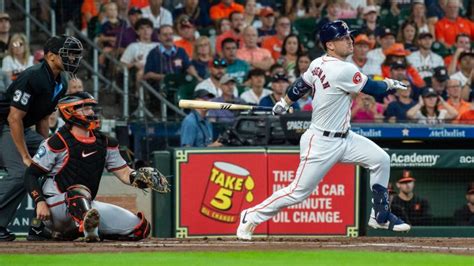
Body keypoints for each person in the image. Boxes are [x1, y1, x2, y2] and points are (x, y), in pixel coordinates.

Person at [236, 20, 411, 240]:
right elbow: (374, 89)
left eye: (349, 36)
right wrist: (391, 83)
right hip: (321, 142)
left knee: (381, 159)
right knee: (297, 192)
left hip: (346, 138)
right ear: (330, 45)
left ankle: (380, 215)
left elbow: (301, 84)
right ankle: (250, 215)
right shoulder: (343, 69)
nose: (350, 41)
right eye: (344, 38)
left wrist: (285, 102)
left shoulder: (318, 63)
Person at [24, 92, 161, 242]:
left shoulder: (106, 142)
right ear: (69, 111)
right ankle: (83, 231)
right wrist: (40, 202)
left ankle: (78, 231)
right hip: (54, 209)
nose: (91, 112)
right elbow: (30, 175)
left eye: (90, 108)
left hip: (84, 205)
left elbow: (123, 172)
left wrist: (142, 178)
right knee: (77, 192)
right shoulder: (56, 142)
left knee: (139, 228)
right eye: (85, 108)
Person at [0, 35, 83, 241]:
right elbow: (13, 117)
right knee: (22, 172)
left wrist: (48, 150)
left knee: (64, 157)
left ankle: (46, 225)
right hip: (5, 126)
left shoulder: (61, 81)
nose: (72, 58)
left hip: (22, 128)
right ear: (51, 56)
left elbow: (44, 117)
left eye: (74, 54)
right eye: (67, 53)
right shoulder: (33, 76)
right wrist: (26, 156)